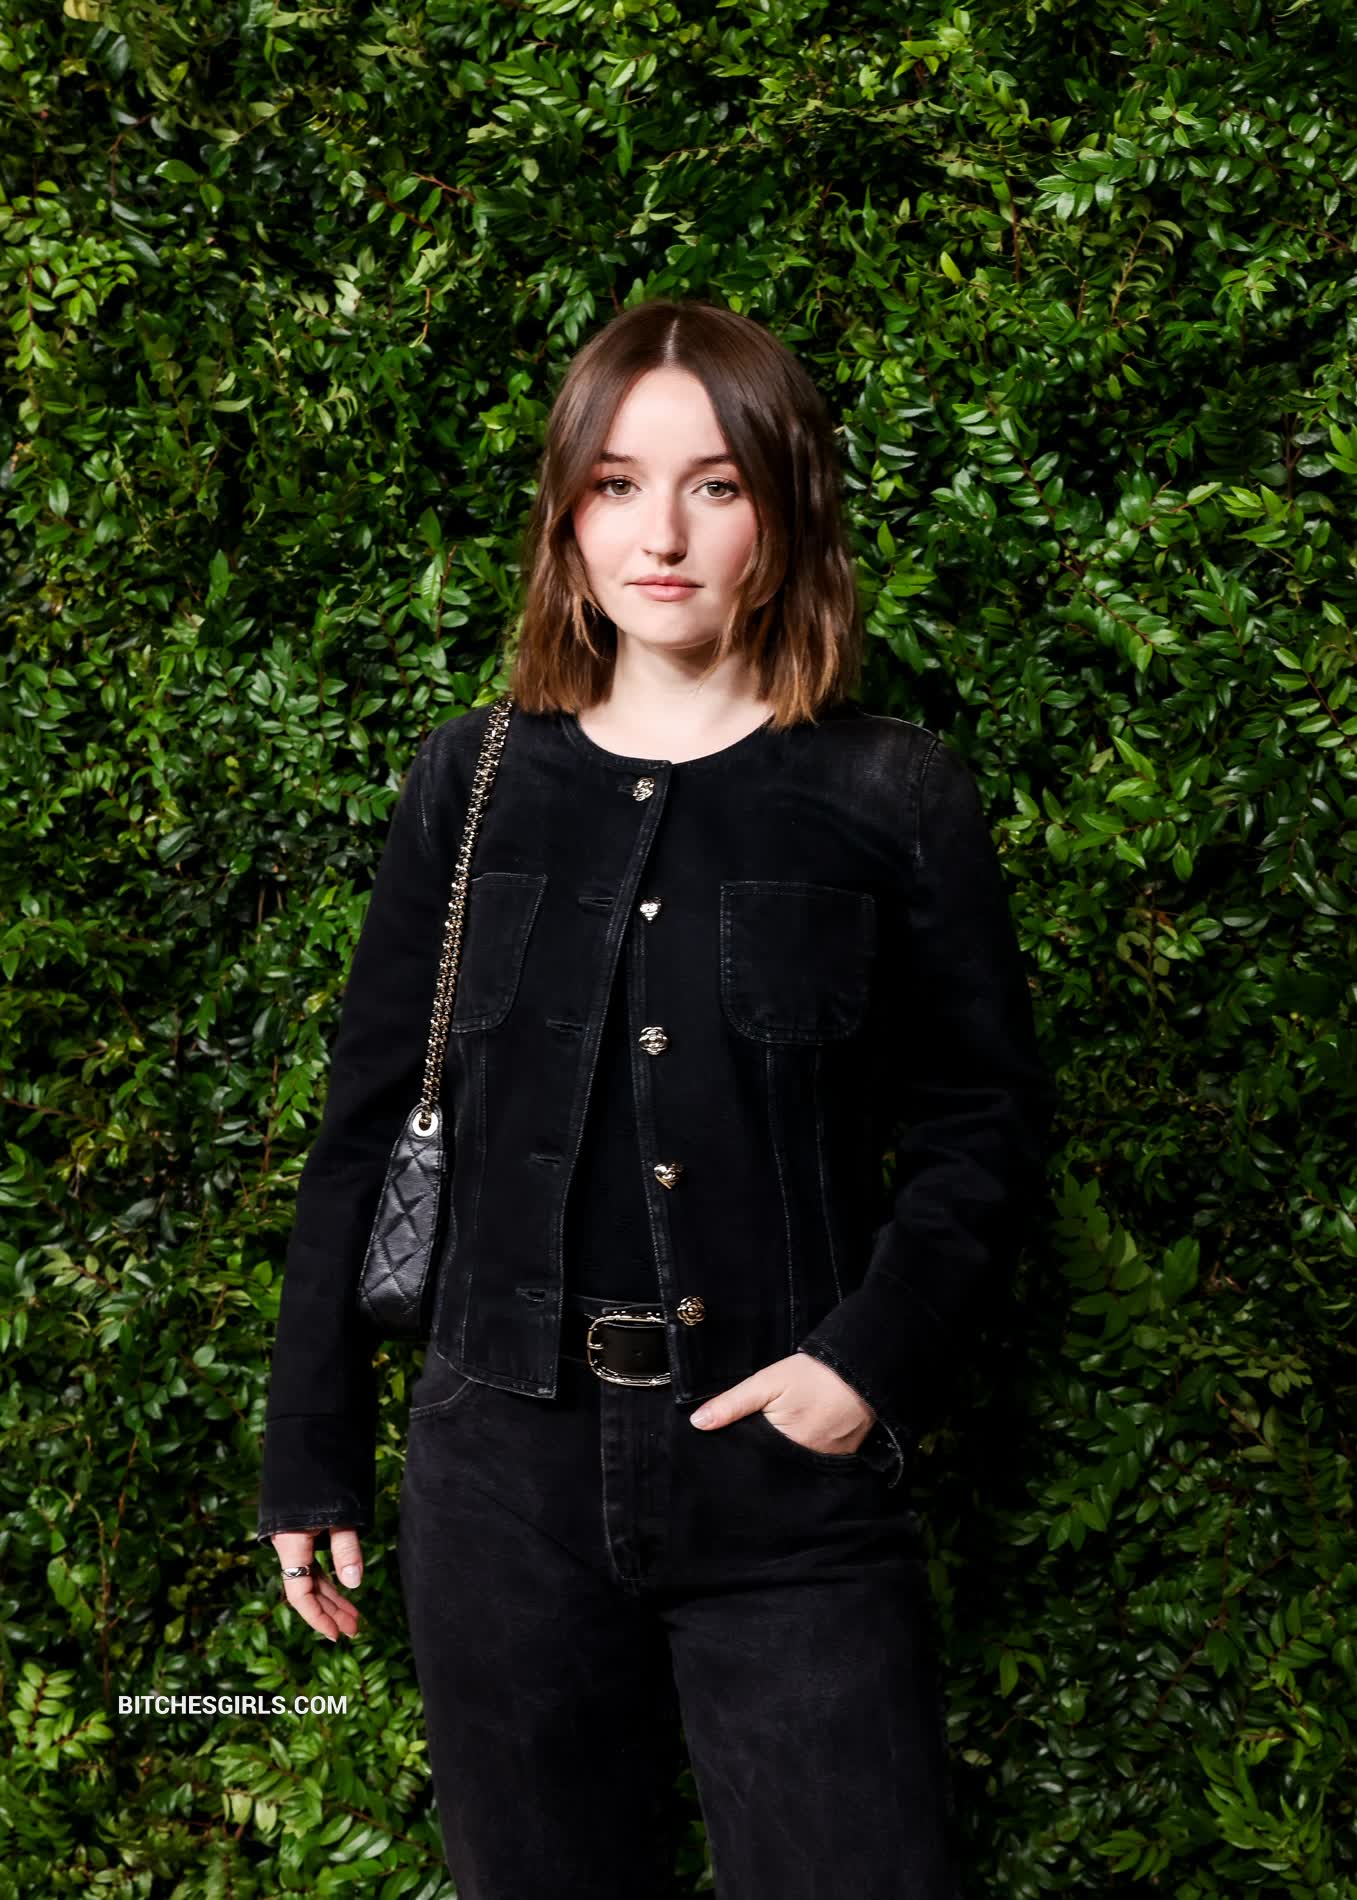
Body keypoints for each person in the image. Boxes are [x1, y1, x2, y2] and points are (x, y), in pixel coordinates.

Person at [253, 297, 1058, 1898]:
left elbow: (983, 1129)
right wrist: (310, 1444)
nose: (662, 535)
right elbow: (366, 1122)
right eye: (617, 484)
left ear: (785, 505)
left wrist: (858, 1367)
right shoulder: (469, 780)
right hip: (500, 1476)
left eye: (715, 484)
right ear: (566, 512)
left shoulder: (890, 792)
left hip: (785, 1483)